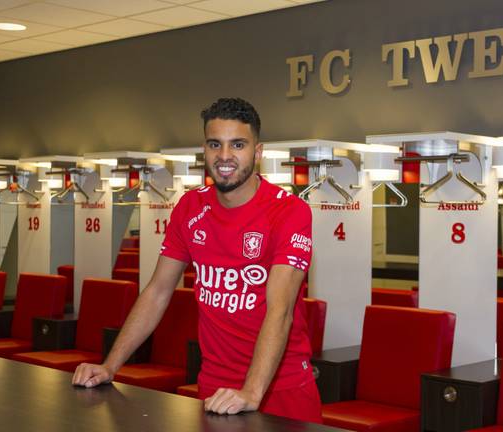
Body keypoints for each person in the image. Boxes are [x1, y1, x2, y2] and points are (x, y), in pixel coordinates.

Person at [72, 98, 321, 422]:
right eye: (215, 144)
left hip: (280, 391)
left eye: (238, 144)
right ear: (204, 149)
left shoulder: (288, 212)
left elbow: (281, 309)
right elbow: (157, 292)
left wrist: (252, 392)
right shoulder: (190, 208)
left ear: (257, 153)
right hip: (215, 389)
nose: (225, 156)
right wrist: (110, 366)